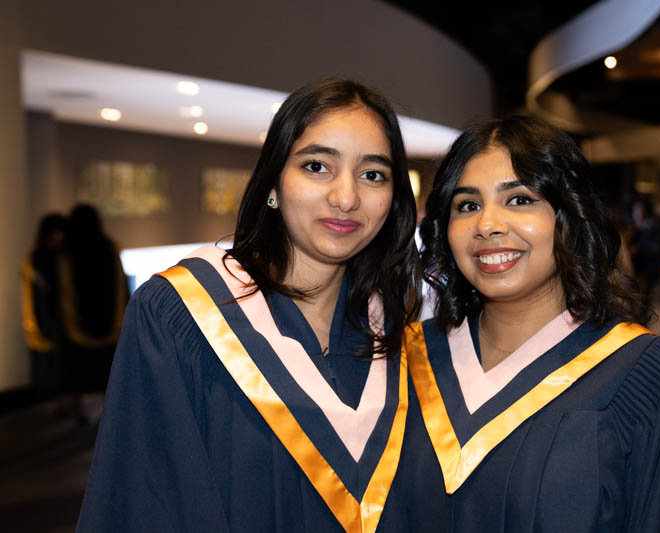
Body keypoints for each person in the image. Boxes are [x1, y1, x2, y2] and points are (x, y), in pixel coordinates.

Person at [77, 78, 421, 533]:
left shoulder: (399, 330)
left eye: (373, 174)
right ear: (273, 183)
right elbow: (148, 501)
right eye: (317, 166)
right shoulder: (181, 313)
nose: (346, 197)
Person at [403, 115, 660, 531]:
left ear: (568, 217)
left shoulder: (646, 377)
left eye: (520, 199)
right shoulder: (405, 360)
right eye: (468, 205)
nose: (487, 224)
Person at [60, 204, 129, 421]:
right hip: (109, 320)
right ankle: (106, 413)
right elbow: (120, 284)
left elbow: (63, 289)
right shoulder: (109, 246)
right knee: (105, 373)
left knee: (77, 373)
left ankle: (78, 411)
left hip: (76, 324)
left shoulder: (66, 250)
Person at [21, 213, 67, 398]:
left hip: (59, 316)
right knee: (54, 365)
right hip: (49, 316)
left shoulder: (48, 257)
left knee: (63, 365)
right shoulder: (38, 258)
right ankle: (61, 402)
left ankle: (68, 403)